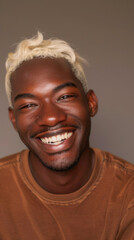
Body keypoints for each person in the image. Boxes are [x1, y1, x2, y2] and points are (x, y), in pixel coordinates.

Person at [0, 32, 134, 240]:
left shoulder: (128, 191)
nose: (51, 118)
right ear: (14, 119)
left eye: (64, 97)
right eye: (28, 105)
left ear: (91, 103)